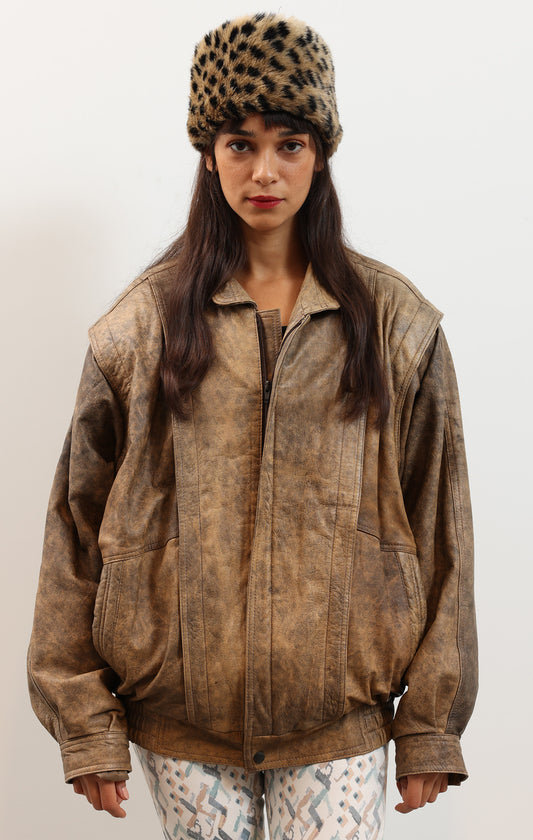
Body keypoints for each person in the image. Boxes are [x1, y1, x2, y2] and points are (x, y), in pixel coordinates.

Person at [27, 11, 477, 839]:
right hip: (181, 719)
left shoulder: (395, 326)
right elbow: (75, 528)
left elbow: (441, 528)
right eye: (240, 143)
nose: (264, 170)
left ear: (321, 151)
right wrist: (83, 717)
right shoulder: (138, 329)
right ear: (208, 152)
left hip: (338, 720)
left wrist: (430, 724)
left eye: (288, 143)